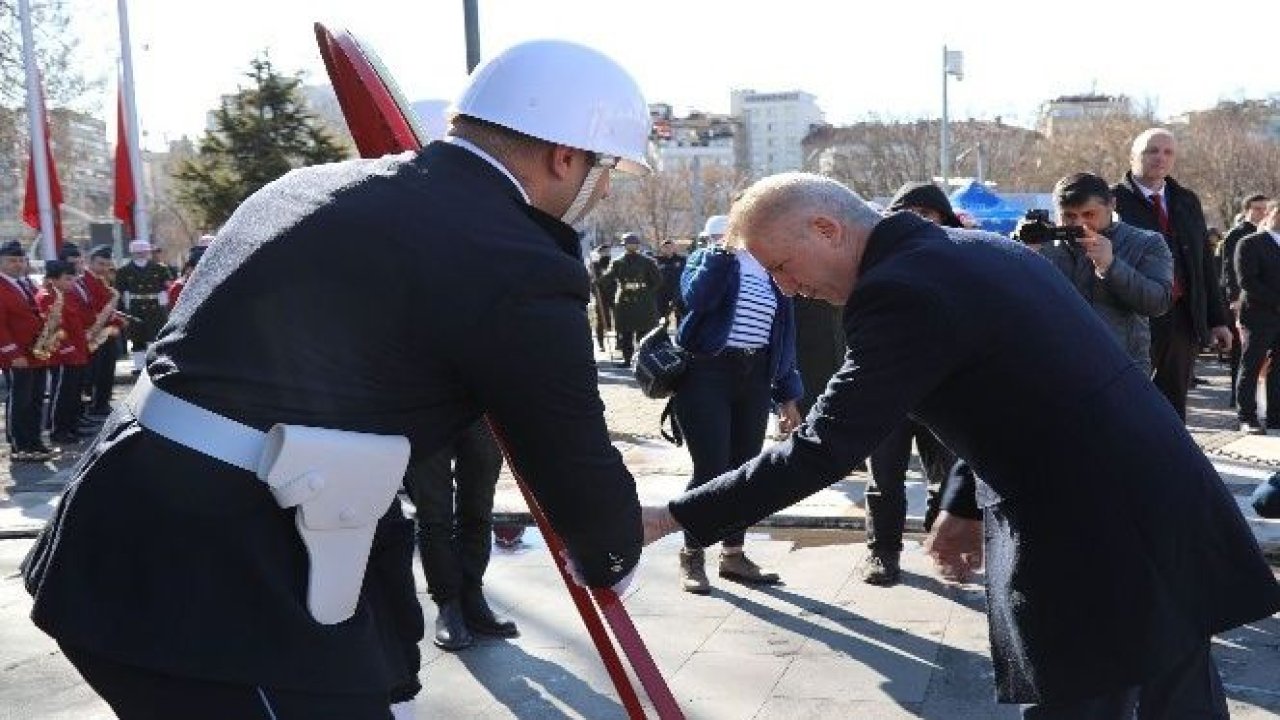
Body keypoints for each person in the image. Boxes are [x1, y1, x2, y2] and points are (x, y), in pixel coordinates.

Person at [22, 38, 651, 720]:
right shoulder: (519, 261)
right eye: (607, 166)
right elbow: (578, 474)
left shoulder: (307, 184)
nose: (607, 186)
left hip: (121, 522)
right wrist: (614, 545)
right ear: (567, 158)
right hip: (219, 582)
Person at [642, 172, 1280, 717]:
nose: (785, 288)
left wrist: (674, 517)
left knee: (1094, 699)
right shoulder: (972, 250)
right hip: (1151, 501)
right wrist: (963, 502)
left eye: (781, 266)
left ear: (826, 230)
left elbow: (824, 447)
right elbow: (1016, 393)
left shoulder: (900, 291)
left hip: (1093, 528)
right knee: (1174, 696)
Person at [671, 215, 803, 594]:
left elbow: (784, 337)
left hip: (755, 376)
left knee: (744, 470)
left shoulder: (772, 273)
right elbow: (697, 298)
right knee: (711, 467)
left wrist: (787, 395)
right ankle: (692, 556)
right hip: (706, 373)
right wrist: (722, 253)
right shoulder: (709, 258)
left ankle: (733, 555)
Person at [858, 181, 963, 586]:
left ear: (943, 219)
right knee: (884, 477)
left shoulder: (958, 260)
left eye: (929, 214)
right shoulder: (872, 260)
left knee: (946, 473)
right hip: (886, 389)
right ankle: (882, 551)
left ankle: (943, 545)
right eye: (910, 213)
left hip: (941, 389)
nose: (919, 221)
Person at [1112, 128, 1231, 420]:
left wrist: (1217, 320)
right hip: (1133, 316)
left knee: (1174, 402)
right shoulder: (1112, 201)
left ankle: (1171, 463)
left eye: (1167, 152)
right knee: (1128, 397)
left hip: (1182, 317)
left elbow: (1203, 262)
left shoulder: (1186, 200)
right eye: (1152, 151)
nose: (1160, 158)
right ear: (1132, 157)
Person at [1025, 173, 1173, 374]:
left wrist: (1111, 266)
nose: (1079, 224)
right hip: (1055, 366)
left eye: (1089, 215)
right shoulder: (1044, 245)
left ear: (1112, 205)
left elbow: (1158, 302)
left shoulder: (1146, 243)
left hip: (1121, 367)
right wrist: (1021, 258)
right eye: (1069, 216)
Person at [402, 420, 516, 651]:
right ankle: (448, 604)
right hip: (423, 405)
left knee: (479, 507)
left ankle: (472, 595)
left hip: (481, 404)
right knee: (433, 515)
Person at [0, 240, 54, 462]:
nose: (18, 264)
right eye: (12, 260)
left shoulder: (26, 283)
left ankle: (35, 441)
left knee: (35, 398)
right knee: (20, 400)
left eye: (21, 260)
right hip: (18, 354)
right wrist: (12, 354)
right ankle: (19, 445)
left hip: (36, 351)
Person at [1233, 199, 1280, 434]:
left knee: (1277, 369)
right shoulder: (1250, 243)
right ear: (1269, 215)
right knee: (1251, 365)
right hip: (1258, 315)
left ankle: (1275, 416)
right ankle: (1246, 417)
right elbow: (1247, 281)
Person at [38, 254, 93, 444]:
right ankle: (58, 430)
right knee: (62, 394)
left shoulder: (67, 296)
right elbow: (52, 327)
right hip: (63, 354)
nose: (72, 282)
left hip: (77, 351)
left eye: (72, 278)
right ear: (53, 280)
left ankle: (71, 426)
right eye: (67, 279)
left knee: (72, 394)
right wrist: (67, 349)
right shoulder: (47, 297)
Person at [1222, 194, 1270, 407]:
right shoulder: (1238, 234)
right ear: (1247, 210)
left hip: (1266, 304)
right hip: (1243, 301)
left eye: (1265, 209)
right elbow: (1229, 269)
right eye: (1257, 209)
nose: (1261, 213)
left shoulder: (1269, 235)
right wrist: (1234, 298)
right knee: (1241, 352)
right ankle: (1237, 396)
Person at [113, 238, 173, 375]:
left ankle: (154, 363)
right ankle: (139, 366)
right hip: (135, 306)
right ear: (133, 253)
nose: (141, 255)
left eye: (144, 252)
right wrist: (124, 309)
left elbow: (167, 286)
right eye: (138, 252)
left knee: (155, 336)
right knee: (137, 337)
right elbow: (119, 291)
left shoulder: (160, 268)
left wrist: (164, 305)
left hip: (155, 307)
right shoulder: (124, 271)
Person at [601, 231, 661, 366]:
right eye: (629, 244)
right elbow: (608, 278)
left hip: (643, 301)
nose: (631, 246)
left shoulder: (647, 262)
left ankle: (642, 359)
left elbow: (657, 281)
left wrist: (646, 292)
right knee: (625, 333)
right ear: (624, 245)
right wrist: (597, 279)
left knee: (643, 332)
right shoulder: (617, 262)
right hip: (624, 300)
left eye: (634, 243)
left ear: (638, 245)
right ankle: (627, 359)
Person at [81, 244, 125, 417]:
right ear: (90, 263)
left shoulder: (103, 280)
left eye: (107, 264)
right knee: (95, 373)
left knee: (107, 371)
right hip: (95, 333)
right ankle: (93, 406)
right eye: (100, 264)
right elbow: (94, 309)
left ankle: (102, 403)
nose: (104, 268)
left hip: (108, 332)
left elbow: (110, 309)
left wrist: (117, 321)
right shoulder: (84, 281)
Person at [588, 241, 615, 352]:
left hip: (613, 294)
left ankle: (619, 343)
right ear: (599, 253)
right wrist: (595, 290)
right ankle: (600, 343)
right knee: (600, 320)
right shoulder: (594, 265)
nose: (605, 253)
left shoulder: (614, 263)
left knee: (618, 319)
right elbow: (591, 281)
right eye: (603, 252)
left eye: (607, 251)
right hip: (600, 296)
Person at [654, 238, 686, 324]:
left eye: (670, 246)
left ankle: (680, 335)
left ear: (674, 248)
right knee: (662, 317)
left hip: (678, 291)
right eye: (665, 247)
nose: (668, 249)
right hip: (662, 292)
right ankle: (662, 336)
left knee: (680, 316)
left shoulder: (682, 260)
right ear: (662, 248)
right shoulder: (657, 260)